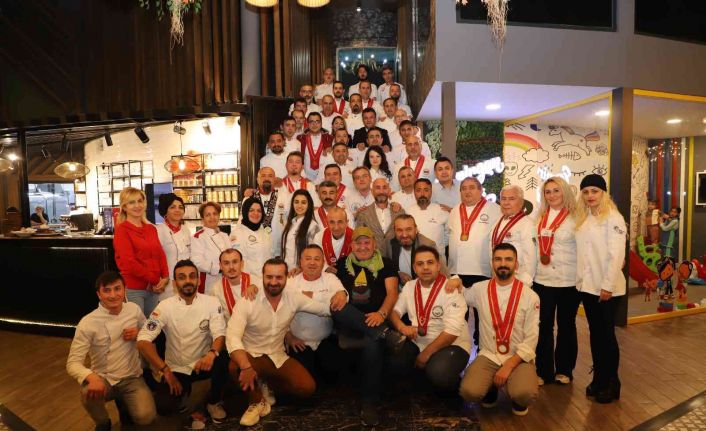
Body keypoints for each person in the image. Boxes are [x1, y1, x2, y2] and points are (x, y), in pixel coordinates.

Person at [226, 257, 347, 426]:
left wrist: (343, 296)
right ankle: (256, 401)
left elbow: (323, 309)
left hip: (277, 355)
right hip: (251, 355)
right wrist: (246, 366)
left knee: (306, 388)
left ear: (286, 278)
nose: (273, 282)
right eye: (269, 277)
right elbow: (232, 336)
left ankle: (264, 382)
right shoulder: (248, 300)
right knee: (235, 366)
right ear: (262, 277)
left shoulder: (293, 297)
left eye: (279, 277)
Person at [137, 259, 229, 428]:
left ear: (198, 280)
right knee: (164, 407)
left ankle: (213, 402)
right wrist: (165, 370)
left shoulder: (211, 302)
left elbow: (219, 335)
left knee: (223, 359)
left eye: (192, 276)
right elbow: (143, 341)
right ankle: (190, 397)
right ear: (174, 283)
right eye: (182, 277)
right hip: (177, 368)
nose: (188, 281)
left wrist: (211, 354)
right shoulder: (164, 306)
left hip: (204, 363)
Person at [331, 226, 402, 426]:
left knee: (372, 344)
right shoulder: (342, 264)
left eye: (366, 242)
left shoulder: (386, 264)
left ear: (374, 244)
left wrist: (381, 314)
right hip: (350, 320)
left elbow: (392, 293)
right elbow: (325, 280)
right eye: (358, 243)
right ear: (351, 245)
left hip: (377, 318)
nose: (362, 247)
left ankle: (369, 403)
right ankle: (384, 334)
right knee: (337, 307)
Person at [67, 271, 156, 431]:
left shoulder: (133, 309)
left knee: (146, 417)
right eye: (107, 290)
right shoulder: (87, 322)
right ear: (99, 294)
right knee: (87, 394)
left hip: (132, 377)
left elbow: (148, 331)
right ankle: (103, 422)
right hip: (104, 378)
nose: (113, 295)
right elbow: (72, 363)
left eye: (117, 289)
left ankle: (124, 403)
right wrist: (91, 377)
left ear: (124, 290)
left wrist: (139, 333)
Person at [459, 243, 540, 416]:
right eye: (498, 259)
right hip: (489, 354)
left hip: (518, 356)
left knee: (524, 393)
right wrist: (455, 281)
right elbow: (462, 296)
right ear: (492, 263)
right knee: (469, 391)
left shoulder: (530, 296)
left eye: (508, 259)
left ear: (516, 264)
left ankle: (518, 399)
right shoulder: (479, 289)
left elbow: (532, 338)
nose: (503, 264)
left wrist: (509, 365)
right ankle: (491, 389)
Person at [388, 245, 470, 392]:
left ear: (438, 266)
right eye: (420, 264)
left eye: (430, 262)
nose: (425, 267)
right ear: (414, 268)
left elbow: (451, 332)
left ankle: (451, 388)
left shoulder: (451, 288)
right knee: (395, 362)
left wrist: (425, 355)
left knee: (439, 372)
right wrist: (402, 327)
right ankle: (423, 384)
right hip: (419, 341)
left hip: (452, 344)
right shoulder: (409, 287)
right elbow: (395, 312)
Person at [575, 174, 627, 404]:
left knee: (606, 336)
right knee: (595, 335)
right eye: (586, 192)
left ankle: (612, 383)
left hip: (608, 289)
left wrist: (607, 285)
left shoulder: (613, 218)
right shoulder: (584, 218)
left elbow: (616, 255)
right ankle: (599, 378)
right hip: (588, 287)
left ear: (603, 193)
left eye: (594, 191)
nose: (590, 196)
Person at [532, 177, 579, 386]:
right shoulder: (539, 216)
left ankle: (564, 370)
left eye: (556, 190)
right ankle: (543, 371)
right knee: (543, 326)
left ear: (565, 192)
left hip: (569, 280)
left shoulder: (576, 217)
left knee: (567, 326)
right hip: (542, 280)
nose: (552, 195)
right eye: (548, 192)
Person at [286, 245, 349, 381]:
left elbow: (343, 297)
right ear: (301, 261)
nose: (312, 263)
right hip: (297, 342)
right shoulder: (290, 281)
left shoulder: (330, 278)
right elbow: (279, 312)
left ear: (323, 262)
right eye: (308, 258)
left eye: (317, 259)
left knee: (335, 377)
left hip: (325, 340)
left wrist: (309, 296)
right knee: (304, 381)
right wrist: (288, 336)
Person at [113, 187, 169, 317]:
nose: (137, 205)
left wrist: (165, 277)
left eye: (140, 201)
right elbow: (129, 263)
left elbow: (160, 253)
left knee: (151, 325)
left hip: (154, 288)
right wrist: (155, 280)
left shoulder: (151, 228)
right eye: (132, 202)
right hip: (135, 288)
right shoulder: (122, 230)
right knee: (136, 325)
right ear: (124, 207)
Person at [383, 214, 449, 284]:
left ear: (416, 229)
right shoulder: (389, 242)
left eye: (409, 229)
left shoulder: (427, 245)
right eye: (399, 230)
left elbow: (444, 274)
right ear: (394, 231)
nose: (404, 235)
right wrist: (397, 273)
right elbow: (384, 266)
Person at [490, 185, 536, 286]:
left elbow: (531, 257)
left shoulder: (527, 223)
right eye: (503, 199)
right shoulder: (497, 222)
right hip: (498, 279)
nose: (506, 203)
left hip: (518, 280)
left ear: (521, 202)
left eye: (511, 199)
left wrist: (525, 283)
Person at [156, 193, 192, 301]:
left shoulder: (186, 230)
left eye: (180, 207)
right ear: (165, 211)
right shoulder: (158, 230)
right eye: (172, 207)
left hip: (186, 280)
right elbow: (155, 258)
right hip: (166, 282)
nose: (177, 210)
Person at [191, 201, 232, 295]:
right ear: (202, 219)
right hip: (208, 284)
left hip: (227, 281)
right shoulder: (198, 237)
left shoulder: (225, 236)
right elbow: (197, 262)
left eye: (215, 214)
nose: (212, 217)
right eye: (208, 215)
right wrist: (220, 268)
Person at [212, 249, 261, 320]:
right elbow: (217, 319)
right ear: (221, 266)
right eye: (226, 263)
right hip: (231, 326)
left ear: (242, 264)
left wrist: (258, 288)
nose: (231, 267)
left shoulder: (257, 282)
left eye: (235, 262)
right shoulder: (216, 289)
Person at [355, 178, 404, 248]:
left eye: (384, 188)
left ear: (389, 190)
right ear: (372, 191)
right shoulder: (363, 214)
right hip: (373, 254)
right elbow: (358, 240)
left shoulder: (399, 212)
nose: (381, 191)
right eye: (378, 188)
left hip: (395, 254)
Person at [406, 179, 449, 258]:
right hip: (415, 258)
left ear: (431, 191)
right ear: (414, 192)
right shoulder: (408, 211)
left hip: (438, 257)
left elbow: (448, 235)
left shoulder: (442, 210)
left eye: (426, 190)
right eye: (418, 190)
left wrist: (438, 246)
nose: (422, 194)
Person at [230, 197, 273, 276]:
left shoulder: (265, 233)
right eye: (251, 210)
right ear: (245, 212)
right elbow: (237, 263)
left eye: (259, 211)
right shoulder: (237, 234)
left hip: (266, 279)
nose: (256, 213)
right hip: (248, 280)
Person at [281, 190, 320, 272]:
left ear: (309, 205)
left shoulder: (313, 226)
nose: (299, 205)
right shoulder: (291, 222)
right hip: (286, 271)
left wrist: (301, 268)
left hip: (300, 272)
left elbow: (314, 253)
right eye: (296, 202)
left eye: (303, 202)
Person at [313, 206, 354, 273]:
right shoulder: (319, 236)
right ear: (327, 223)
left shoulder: (355, 237)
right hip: (326, 275)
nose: (336, 227)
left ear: (346, 222)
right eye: (332, 222)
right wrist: (326, 268)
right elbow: (315, 257)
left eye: (340, 222)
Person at [298, 112, 333, 181]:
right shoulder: (300, 138)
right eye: (311, 122)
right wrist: (303, 176)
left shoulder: (329, 138)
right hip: (305, 177)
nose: (314, 124)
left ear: (321, 123)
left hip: (325, 178)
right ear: (307, 123)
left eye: (317, 121)